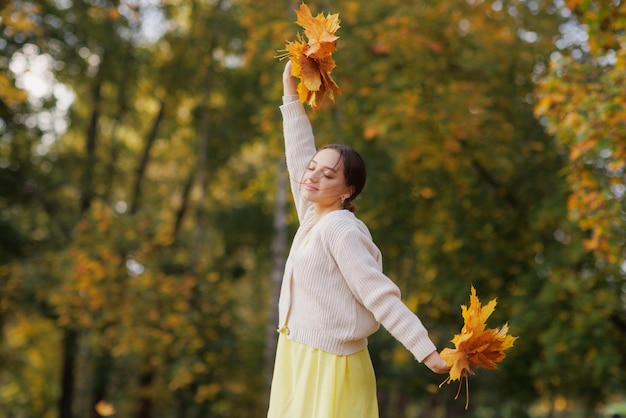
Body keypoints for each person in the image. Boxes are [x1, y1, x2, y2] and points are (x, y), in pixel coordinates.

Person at [266, 61, 449, 418]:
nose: (314, 176)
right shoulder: (312, 218)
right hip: (298, 353)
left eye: (329, 174)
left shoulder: (340, 228)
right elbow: (298, 156)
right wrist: (291, 92)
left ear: (347, 191)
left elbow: (377, 293)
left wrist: (427, 352)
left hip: (331, 366)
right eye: (314, 168)